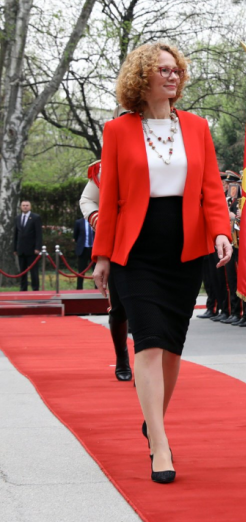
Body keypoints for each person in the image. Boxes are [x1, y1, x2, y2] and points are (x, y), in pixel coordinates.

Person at [92, 42, 232, 484]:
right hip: (136, 249)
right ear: (141, 79)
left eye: (176, 70)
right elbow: (111, 199)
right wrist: (102, 256)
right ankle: (161, 443)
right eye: (163, 71)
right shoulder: (117, 131)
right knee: (149, 342)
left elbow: (211, 187)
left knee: (172, 346)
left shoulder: (196, 127)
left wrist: (221, 230)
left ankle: (153, 420)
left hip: (185, 247)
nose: (173, 77)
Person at [79, 161, 132, 382]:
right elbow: (88, 199)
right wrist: (102, 222)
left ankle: (148, 363)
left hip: (156, 241)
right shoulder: (105, 166)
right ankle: (122, 358)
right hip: (120, 243)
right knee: (119, 308)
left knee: (148, 307)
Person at [13, 200, 42, 291]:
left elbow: (39, 234)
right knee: (22, 271)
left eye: (27, 205)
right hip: (21, 249)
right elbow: (15, 234)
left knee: (33, 271)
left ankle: (35, 288)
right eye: (23, 205)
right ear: (20, 207)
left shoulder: (35, 217)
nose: (25, 207)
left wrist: (38, 247)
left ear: (30, 207)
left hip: (32, 250)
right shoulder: (17, 218)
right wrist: (15, 248)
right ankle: (23, 288)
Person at [73, 214, 95, 290]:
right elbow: (75, 236)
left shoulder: (95, 221)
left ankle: (97, 288)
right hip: (83, 250)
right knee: (81, 270)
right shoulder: (79, 222)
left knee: (95, 270)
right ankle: (79, 288)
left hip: (94, 249)